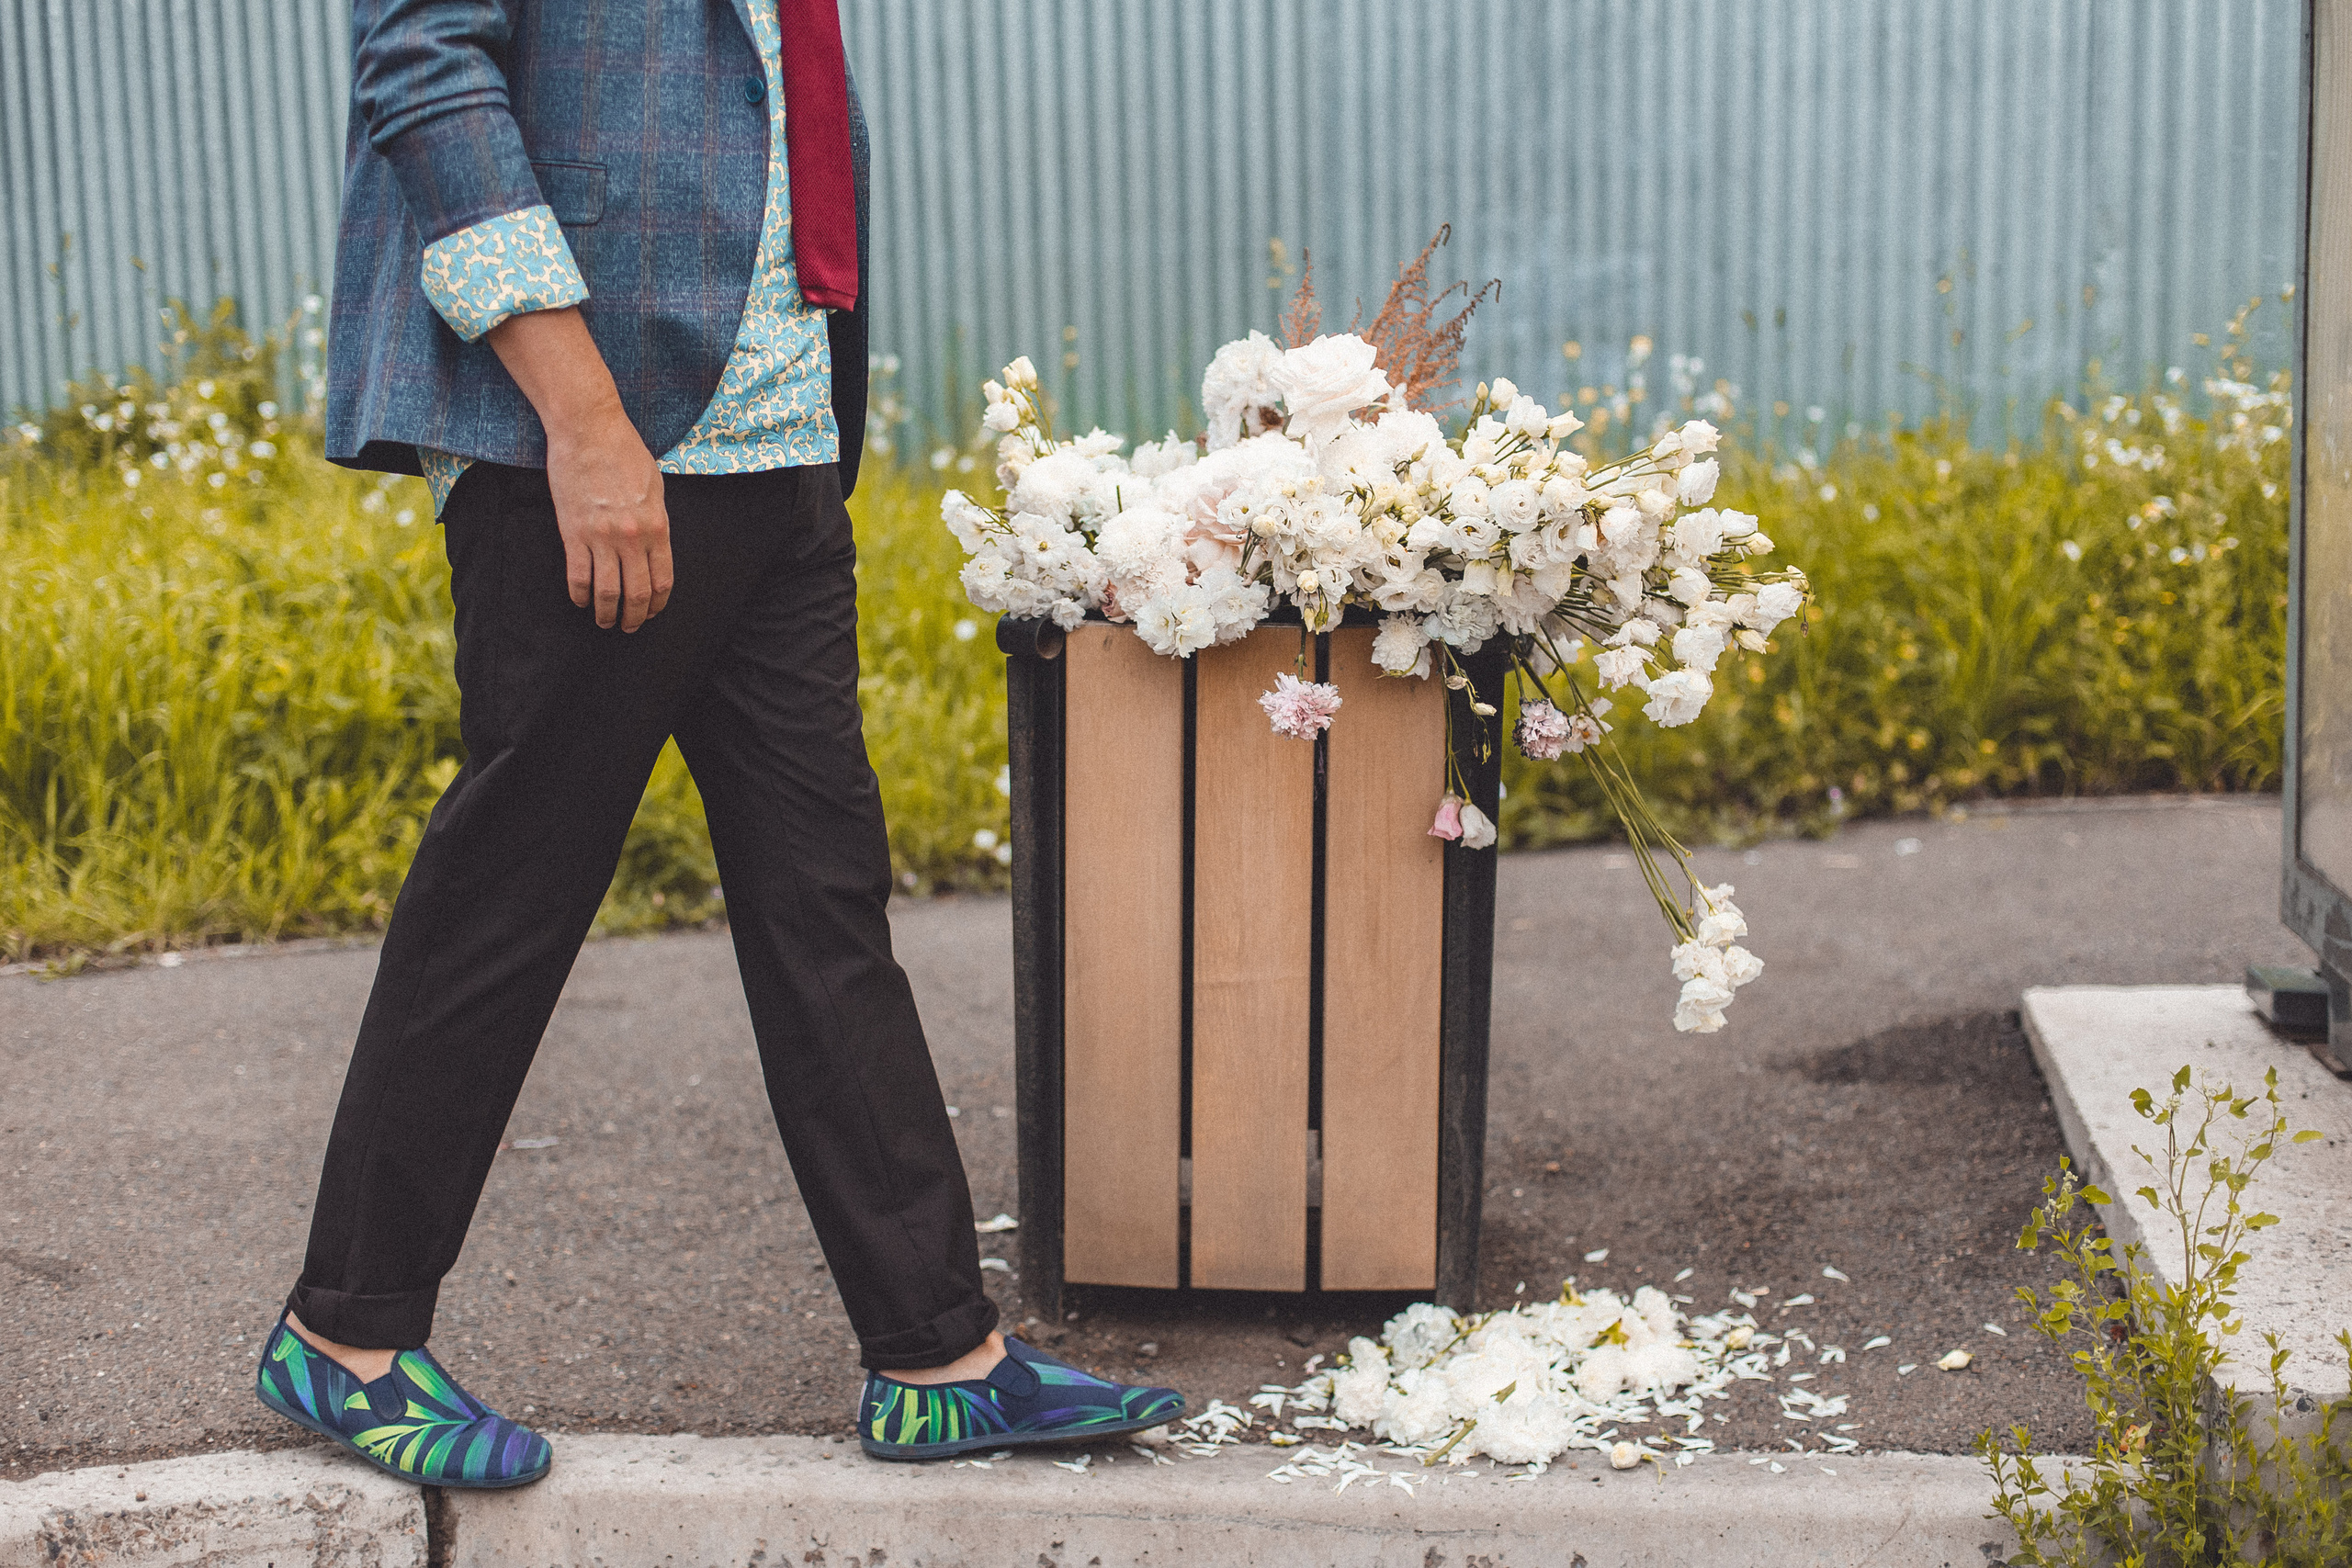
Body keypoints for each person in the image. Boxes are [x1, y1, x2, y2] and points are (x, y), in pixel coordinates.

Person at [252, 0, 1182, 1488]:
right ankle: (347, 1332)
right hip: (602, 441)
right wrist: (585, 418)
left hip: (778, 429)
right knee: (515, 887)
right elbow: (423, 63)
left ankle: (936, 1354)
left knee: (825, 902)